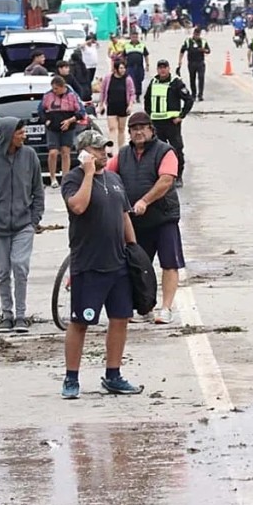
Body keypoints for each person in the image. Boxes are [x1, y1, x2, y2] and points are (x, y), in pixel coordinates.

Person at [60, 130, 144, 398]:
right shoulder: (73, 179)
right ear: (84, 153)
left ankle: (113, 374)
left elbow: (124, 215)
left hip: (118, 263)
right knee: (81, 323)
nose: (103, 154)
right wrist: (87, 173)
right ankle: (71, 378)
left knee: (120, 319)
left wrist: (135, 250)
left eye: (105, 149)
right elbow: (78, 207)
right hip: (88, 264)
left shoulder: (114, 179)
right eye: (97, 150)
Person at [107, 112, 184, 325]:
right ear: (129, 133)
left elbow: (166, 180)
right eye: (134, 129)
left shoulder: (165, 152)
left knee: (169, 263)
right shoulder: (122, 155)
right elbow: (106, 174)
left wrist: (145, 201)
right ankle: (144, 308)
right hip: (135, 221)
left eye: (143, 128)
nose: (139, 132)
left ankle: (166, 308)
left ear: (151, 130)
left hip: (163, 218)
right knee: (138, 265)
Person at [0, 118, 46, 332]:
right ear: (8, 134)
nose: (24, 136)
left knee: (19, 266)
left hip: (24, 225)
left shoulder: (30, 156)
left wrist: (34, 220)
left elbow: (38, 191)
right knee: (3, 272)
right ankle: (7, 315)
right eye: (20, 132)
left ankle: (21, 315)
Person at [143, 59, 193, 188]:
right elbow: (147, 100)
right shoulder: (153, 82)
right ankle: (160, 175)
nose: (162, 70)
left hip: (171, 123)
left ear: (169, 68)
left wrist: (181, 116)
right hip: (156, 123)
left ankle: (178, 176)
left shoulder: (175, 83)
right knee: (157, 151)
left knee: (176, 149)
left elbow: (188, 100)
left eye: (165, 67)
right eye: (160, 68)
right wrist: (149, 117)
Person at [40, 75, 86, 187]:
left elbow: (81, 112)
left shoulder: (72, 96)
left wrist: (70, 121)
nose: (54, 91)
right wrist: (45, 120)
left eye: (56, 88)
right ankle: (53, 178)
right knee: (53, 152)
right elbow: (41, 110)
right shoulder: (48, 96)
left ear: (62, 87)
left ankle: (65, 177)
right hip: (53, 128)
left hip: (68, 128)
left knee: (66, 152)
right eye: (53, 88)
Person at [100, 61, 136, 147]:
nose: (123, 70)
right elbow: (103, 91)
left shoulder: (128, 79)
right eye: (121, 68)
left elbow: (132, 93)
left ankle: (121, 149)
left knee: (121, 129)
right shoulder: (108, 78)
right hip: (111, 106)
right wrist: (101, 104)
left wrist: (130, 105)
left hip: (123, 106)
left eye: (124, 68)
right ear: (116, 69)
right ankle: (111, 148)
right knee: (112, 128)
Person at [178, 27, 211, 102]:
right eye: (196, 34)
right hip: (191, 63)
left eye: (198, 34)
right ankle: (193, 94)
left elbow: (208, 51)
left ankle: (200, 95)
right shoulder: (188, 41)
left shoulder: (203, 41)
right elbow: (182, 51)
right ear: (193, 34)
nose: (197, 36)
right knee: (192, 79)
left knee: (201, 78)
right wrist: (180, 61)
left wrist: (204, 50)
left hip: (200, 63)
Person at [122, 30, 150, 103]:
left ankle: (138, 96)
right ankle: (131, 96)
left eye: (136, 37)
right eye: (133, 37)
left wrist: (147, 65)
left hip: (139, 66)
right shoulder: (127, 46)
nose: (134, 38)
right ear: (130, 37)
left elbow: (146, 55)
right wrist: (123, 66)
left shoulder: (142, 45)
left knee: (139, 80)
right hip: (130, 67)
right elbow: (123, 56)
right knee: (131, 81)